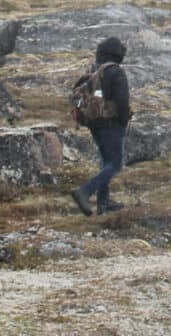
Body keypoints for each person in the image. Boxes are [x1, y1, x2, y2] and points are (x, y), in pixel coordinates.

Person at [70, 37, 131, 216]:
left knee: (105, 162)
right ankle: (84, 191)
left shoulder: (92, 70)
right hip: (111, 123)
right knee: (115, 164)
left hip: (93, 123)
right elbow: (122, 101)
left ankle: (103, 203)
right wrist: (123, 120)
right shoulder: (115, 71)